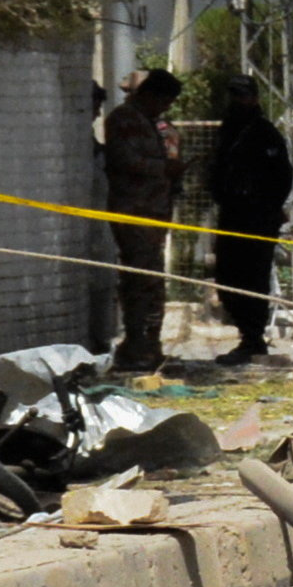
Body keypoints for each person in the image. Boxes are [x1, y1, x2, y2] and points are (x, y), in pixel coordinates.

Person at [98, 68, 183, 375]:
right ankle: (136, 344)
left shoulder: (154, 124)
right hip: (134, 212)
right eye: (164, 101)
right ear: (149, 95)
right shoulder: (124, 120)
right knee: (139, 280)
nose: (165, 108)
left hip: (155, 213)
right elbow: (124, 159)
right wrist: (163, 169)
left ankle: (149, 343)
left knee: (152, 281)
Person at [209, 73, 293, 368]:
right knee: (227, 278)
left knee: (253, 279)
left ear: (255, 98)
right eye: (234, 95)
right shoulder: (229, 132)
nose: (238, 101)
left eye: (243, 95)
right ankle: (246, 334)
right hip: (232, 216)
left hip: (257, 219)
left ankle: (253, 338)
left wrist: (266, 207)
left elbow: (282, 176)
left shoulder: (264, 133)